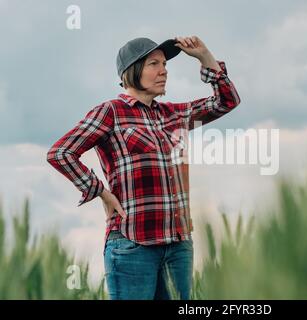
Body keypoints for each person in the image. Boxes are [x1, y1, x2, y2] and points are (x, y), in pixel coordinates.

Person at [46, 35, 241, 300]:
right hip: (133, 243)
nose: (163, 71)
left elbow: (226, 102)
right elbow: (61, 152)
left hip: (178, 245)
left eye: (164, 65)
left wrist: (206, 58)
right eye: (154, 64)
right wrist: (100, 191)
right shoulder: (111, 112)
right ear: (132, 71)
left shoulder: (173, 114)